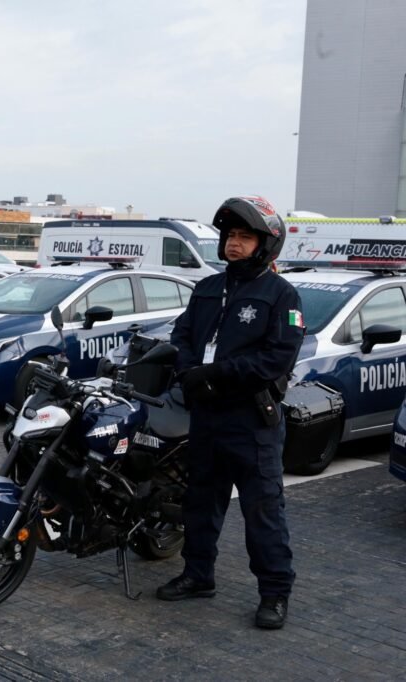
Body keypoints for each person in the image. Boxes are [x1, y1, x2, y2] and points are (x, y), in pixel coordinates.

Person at [156, 196, 305, 630]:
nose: (234, 244)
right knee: (200, 503)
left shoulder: (281, 294)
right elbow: (182, 336)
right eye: (230, 236)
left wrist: (217, 373)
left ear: (265, 244)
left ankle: (275, 593)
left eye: (244, 237)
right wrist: (189, 371)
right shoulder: (206, 289)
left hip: (251, 421)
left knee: (263, 511)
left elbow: (277, 358)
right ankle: (198, 575)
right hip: (206, 417)